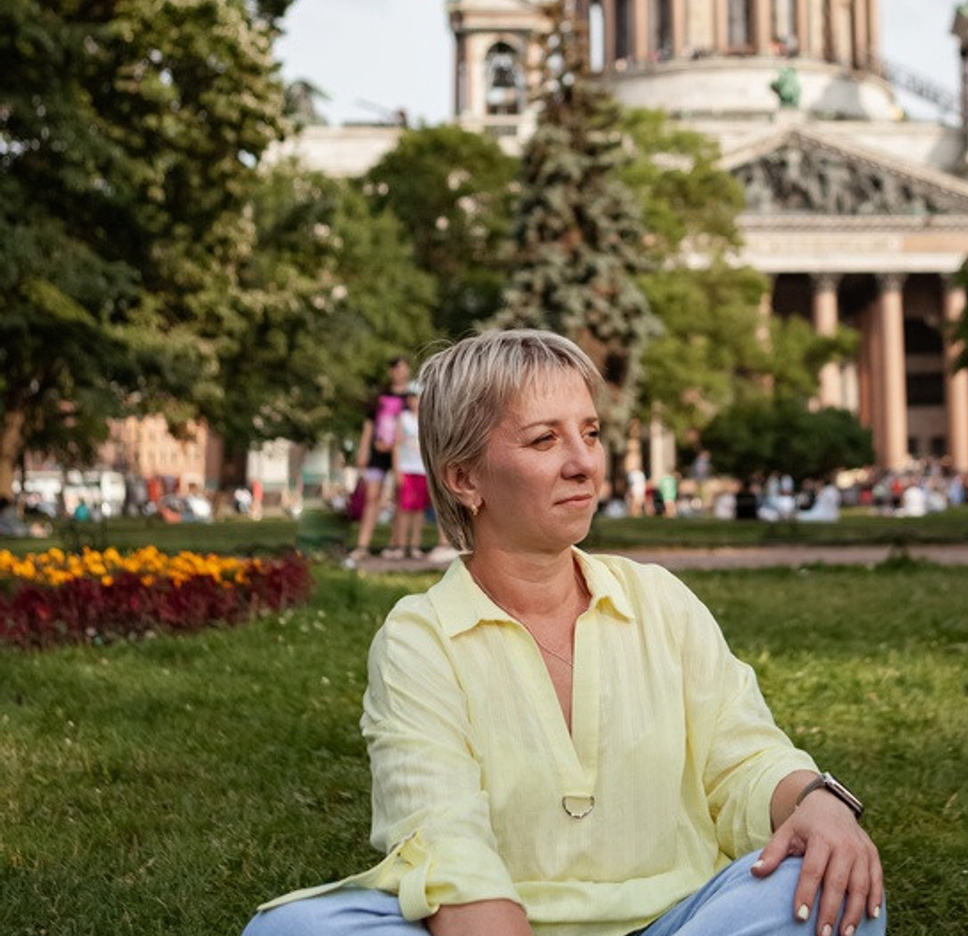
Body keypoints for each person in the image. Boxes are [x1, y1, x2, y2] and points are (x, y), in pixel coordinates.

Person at [243, 328, 885, 936]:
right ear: (465, 478)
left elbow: (745, 758)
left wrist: (816, 801)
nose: (583, 463)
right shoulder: (422, 637)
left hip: (682, 919)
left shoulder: (658, 600)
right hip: (494, 921)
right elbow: (444, 841)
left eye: (591, 433)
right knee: (291, 930)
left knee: (827, 883)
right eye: (544, 440)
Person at [346, 355, 412, 567]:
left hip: (401, 454)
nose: (398, 372)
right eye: (394, 368)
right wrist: (363, 449)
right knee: (372, 496)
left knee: (399, 497)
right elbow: (369, 424)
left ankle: (395, 545)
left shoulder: (412, 398)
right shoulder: (380, 396)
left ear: (408, 371)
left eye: (402, 368)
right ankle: (362, 545)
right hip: (378, 453)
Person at [383, 386, 430, 562]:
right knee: (403, 509)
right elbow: (397, 445)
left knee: (419, 510)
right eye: (411, 397)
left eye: (417, 397)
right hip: (406, 469)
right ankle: (401, 546)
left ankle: (415, 545)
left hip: (422, 470)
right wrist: (397, 470)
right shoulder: (402, 419)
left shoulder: (426, 420)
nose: (414, 401)